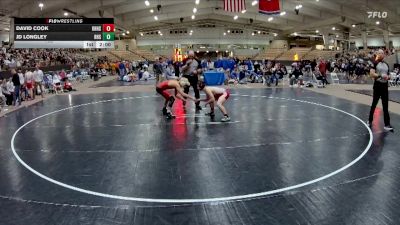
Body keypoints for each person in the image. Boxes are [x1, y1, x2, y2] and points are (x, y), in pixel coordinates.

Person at [368, 49, 394, 131]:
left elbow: (389, 75)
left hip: (385, 86)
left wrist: (388, 77)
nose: (382, 54)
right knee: (374, 104)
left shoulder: (386, 64)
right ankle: (369, 121)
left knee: (385, 106)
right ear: (377, 54)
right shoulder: (374, 63)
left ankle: (387, 124)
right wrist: (380, 75)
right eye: (380, 53)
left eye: (383, 53)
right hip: (377, 86)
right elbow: (371, 74)